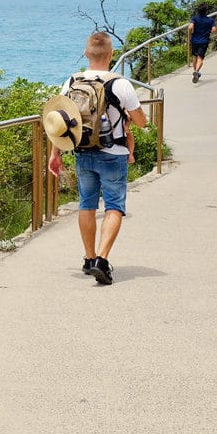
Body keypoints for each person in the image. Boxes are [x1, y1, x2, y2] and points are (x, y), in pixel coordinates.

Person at [45, 32, 147, 285]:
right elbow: (142, 121)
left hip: (82, 152)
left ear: (86, 53)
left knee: (87, 205)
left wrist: (54, 154)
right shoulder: (120, 83)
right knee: (114, 206)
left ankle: (89, 258)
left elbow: (59, 119)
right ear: (111, 54)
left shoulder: (72, 81)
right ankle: (102, 259)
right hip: (114, 155)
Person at [187, 3, 217, 83]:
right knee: (200, 58)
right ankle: (196, 72)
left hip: (194, 40)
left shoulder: (195, 18)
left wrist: (192, 31)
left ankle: (195, 72)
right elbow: (214, 30)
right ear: (206, 11)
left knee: (195, 57)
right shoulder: (210, 20)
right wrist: (209, 30)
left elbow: (190, 27)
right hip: (204, 41)